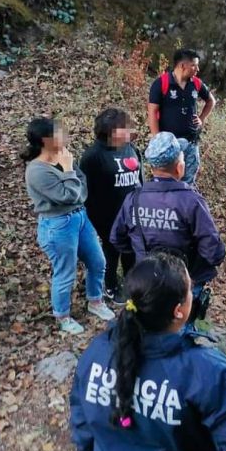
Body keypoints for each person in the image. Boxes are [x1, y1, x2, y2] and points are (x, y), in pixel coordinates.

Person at [70, 251, 226, 451]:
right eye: (190, 289)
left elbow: (83, 432)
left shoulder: (97, 351)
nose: (193, 294)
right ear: (179, 310)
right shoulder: (207, 371)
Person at [110, 131, 225, 322]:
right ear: (179, 167)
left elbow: (117, 238)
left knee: (149, 323)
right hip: (184, 282)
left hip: (147, 277)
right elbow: (213, 251)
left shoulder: (134, 198)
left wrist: (140, 253)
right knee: (180, 327)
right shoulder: (191, 201)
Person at [21, 117, 115, 335]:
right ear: (46, 140)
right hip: (58, 225)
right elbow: (67, 194)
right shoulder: (36, 171)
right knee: (66, 272)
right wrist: (69, 172)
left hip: (80, 218)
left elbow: (81, 189)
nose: (64, 136)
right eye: (58, 133)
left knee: (98, 261)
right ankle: (62, 316)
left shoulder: (63, 158)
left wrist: (72, 179)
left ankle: (95, 301)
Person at [79, 108, 143, 306]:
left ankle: (131, 283)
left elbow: (139, 179)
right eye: (123, 128)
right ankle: (110, 285)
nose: (129, 131)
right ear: (110, 133)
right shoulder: (93, 157)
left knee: (131, 251)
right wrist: (96, 220)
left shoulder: (130, 148)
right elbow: (86, 192)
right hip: (108, 217)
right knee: (112, 251)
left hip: (133, 214)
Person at [147, 48, 216, 185]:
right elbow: (152, 112)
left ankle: (184, 204)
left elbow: (211, 101)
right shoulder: (161, 83)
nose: (197, 69)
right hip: (170, 144)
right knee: (166, 182)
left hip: (191, 142)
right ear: (182, 65)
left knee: (188, 183)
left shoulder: (196, 83)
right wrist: (157, 139)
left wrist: (201, 118)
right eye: (194, 65)